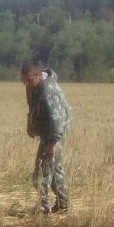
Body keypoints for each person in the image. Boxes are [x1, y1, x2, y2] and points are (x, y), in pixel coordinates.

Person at [21, 61, 72, 213]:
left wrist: (52, 144)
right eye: (23, 80)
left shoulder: (48, 91)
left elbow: (57, 121)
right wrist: (30, 124)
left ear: (38, 75)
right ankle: (63, 206)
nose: (26, 84)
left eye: (29, 80)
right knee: (55, 168)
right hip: (48, 129)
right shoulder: (32, 86)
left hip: (56, 131)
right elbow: (32, 106)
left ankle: (43, 209)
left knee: (42, 170)